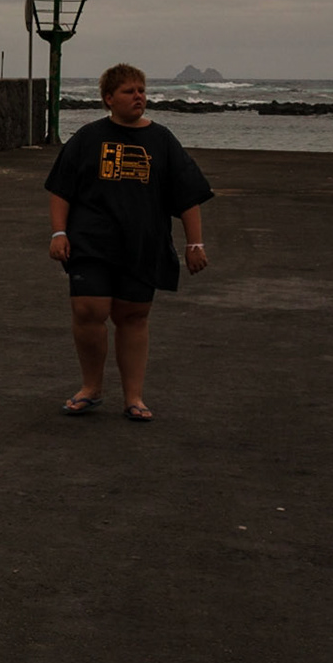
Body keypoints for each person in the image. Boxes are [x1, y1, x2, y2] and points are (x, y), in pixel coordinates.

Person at [46, 63, 214, 422]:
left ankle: (133, 398)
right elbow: (61, 189)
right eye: (128, 91)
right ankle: (90, 388)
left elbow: (187, 196)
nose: (138, 95)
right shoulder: (87, 138)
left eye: (141, 89)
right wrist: (59, 232)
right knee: (88, 309)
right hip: (91, 241)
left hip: (142, 244)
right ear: (108, 99)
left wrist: (194, 244)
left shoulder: (162, 140)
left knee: (133, 316)